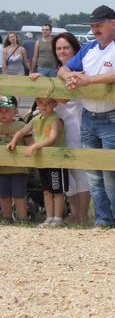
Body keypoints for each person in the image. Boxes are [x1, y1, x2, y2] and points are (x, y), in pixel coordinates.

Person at [59, 5, 115, 230]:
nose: (94, 30)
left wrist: (88, 80)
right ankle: (102, 219)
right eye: (92, 26)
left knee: (111, 171)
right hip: (89, 116)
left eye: (98, 25)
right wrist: (69, 75)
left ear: (113, 24)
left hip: (113, 115)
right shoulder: (89, 48)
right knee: (94, 172)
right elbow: (63, 69)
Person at [30, 32, 91, 225]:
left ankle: (82, 215)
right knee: (67, 175)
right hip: (59, 128)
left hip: (77, 125)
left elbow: (64, 97)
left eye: (66, 47)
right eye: (58, 48)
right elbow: (47, 97)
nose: (62, 51)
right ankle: (73, 213)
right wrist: (39, 80)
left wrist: (46, 87)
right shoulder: (57, 70)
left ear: (74, 49)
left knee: (80, 173)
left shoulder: (80, 70)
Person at [8, 97, 68, 227]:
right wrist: (14, 140)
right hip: (43, 162)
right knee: (46, 191)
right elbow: (22, 131)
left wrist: (35, 146)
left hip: (55, 161)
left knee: (57, 191)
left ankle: (58, 218)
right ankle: (49, 217)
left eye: (48, 102)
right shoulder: (36, 119)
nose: (43, 105)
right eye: (40, 102)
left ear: (55, 103)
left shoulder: (56, 120)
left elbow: (52, 138)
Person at [0, 95, 29, 223]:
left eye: (7, 110)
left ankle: (22, 218)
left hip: (18, 167)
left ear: (16, 111)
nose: (3, 114)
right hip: (2, 169)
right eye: (0, 110)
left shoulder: (21, 125)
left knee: (19, 195)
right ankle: (6, 218)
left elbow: (29, 142)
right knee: (3, 195)